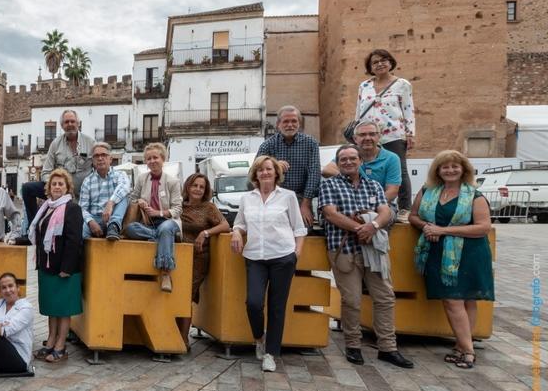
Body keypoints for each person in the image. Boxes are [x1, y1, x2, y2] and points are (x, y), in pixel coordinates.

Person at [320, 145, 414, 369]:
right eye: (343, 159)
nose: (348, 162)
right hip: (343, 249)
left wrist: (372, 226)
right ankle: (353, 345)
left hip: (374, 249)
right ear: (338, 163)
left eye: (353, 158)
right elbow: (330, 213)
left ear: (360, 161)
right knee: (351, 300)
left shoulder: (374, 185)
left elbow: (386, 211)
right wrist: (359, 229)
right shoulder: (329, 184)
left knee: (385, 297)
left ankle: (388, 347)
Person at [410, 150, 494, 370]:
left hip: (469, 252)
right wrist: (427, 227)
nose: (450, 170)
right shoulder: (428, 191)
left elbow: (483, 227)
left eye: (455, 166)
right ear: (437, 170)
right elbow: (414, 216)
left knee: (460, 299)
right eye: (445, 166)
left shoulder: (474, 195)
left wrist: (444, 230)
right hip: (438, 251)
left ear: (464, 169)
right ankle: (460, 346)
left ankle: (467, 351)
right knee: (459, 300)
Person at [231, 155, 306, 373]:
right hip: (255, 256)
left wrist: (296, 254)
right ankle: (259, 339)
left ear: (276, 173)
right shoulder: (247, 198)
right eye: (261, 170)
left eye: (269, 169)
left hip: (283, 256)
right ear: (255, 174)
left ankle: (271, 354)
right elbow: (240, 223)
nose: (265, 173)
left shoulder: (288, 197)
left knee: (277, 307)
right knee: (253, 303)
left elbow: (299, 229)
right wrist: (236, 233)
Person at [356, 49, 416, 220]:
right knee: (364, 168)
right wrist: (356, 131)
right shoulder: (364, 86)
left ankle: (404, 208)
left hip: (394, 133)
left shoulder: (402, 84)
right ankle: (365, 202)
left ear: (390, 62)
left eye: (383, 60)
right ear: (370, 67)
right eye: (375, 62)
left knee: (400, 169)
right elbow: (359, 109)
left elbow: (408, 109)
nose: (380, 64)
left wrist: (410, 134)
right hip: (368, 135)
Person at [17, 109, 94, 243]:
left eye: (72, 121)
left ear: (78, 123)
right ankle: (33, 230)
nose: (70, 124)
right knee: (27, 188)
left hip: (82, 193)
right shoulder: (55, 144)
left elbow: (96, 169)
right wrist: (55, 187)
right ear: (62, 125)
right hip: (59, 192)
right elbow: (46, 171)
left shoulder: (90, 142)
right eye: (66, 122)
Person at [30, 167, 82, 364]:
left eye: (61, 184)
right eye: (54, 184)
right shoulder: (46, 208)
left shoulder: (72, 209)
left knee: (63, 308)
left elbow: (74, 240)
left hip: (64, 268)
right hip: (47, 267)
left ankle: (61, 344)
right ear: (49, 188)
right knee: (52, 307)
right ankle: (50, 341)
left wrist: (66, 268)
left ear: (67, 187)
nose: (57, 187)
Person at [177, 173, 229, 349]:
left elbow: (225, 225)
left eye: (202, 187)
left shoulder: (209, 208)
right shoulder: (179, 206)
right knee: (175, 294)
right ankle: (173, 335)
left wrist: (205, 233)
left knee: (186, 295)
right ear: (188, 187)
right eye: (195, 185)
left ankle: (183, 339)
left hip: (199, 258)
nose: (198, 189)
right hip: (178, 257)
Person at [123, 142, 183, 293]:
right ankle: (163, 239)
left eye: (155, 157)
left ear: (163, 159)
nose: (152, 161)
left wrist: (159, 213)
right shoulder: (142, 179)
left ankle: (165, 273)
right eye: (148, 159)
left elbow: (178, 209)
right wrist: (139, 201)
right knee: (130, 228)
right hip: (148, 223)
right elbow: (132, 198)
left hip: (169, 221)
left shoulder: (172, 181)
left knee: (165, 228)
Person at [256, 106, 320, 226]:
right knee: (273, 230)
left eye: (294, 121)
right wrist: (273, 165)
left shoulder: (311, 143)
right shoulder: (267, 145)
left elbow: (314, 174)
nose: (290, 125)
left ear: (299, 123)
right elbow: (254, 173)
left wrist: (305, 205)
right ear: (278, 124)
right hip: (273, 197)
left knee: (303, 229)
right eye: (285, 121)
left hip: (301, 198)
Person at [76, 142, 130, 241]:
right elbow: (82, 208)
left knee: (123, 195)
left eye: (104, 155)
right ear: (93, 161)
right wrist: (90, 222)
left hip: (115, 217)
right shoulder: (88, 181)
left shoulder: (120, 174)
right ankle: (82, 255)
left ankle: (113, 227)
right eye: (96, 156)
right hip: (95, 218)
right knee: (80, 232)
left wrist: (110, 203)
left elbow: (125, 187)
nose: (100, 158)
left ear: (110, 159)